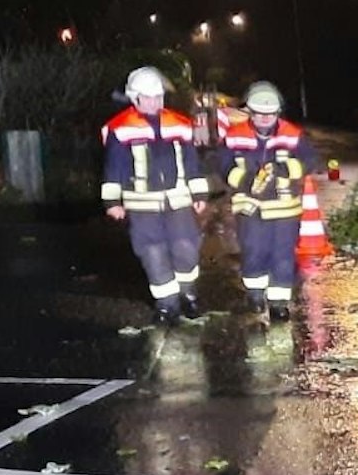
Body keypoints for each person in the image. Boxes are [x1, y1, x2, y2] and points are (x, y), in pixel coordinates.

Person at [101, 66, 209, 323]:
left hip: (179, 200)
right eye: (148, 97)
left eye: (158, 97)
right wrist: (112, 201)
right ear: (135, 98)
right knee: (153, 252)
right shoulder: (122, 128)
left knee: (186, 248)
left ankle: (188, 295)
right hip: (142, 205)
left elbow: (192, 162)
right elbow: (114, 167)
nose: (154, 102)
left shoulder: (181, 124)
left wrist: (199, 193)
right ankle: (166, 304)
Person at [223, 81, 317, 322]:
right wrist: (243, 178)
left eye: (270, 114)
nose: (265, 119)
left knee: (283, 256)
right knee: (254, 253)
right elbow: (219, 164)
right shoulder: (235, 136)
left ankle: (278, 302)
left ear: (278, 113)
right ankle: (255, 294)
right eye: (259, 114)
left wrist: (285, 168)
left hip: (285, 211)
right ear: (250, 113)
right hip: (250, 211)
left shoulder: (293, 135)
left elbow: (312, 160)